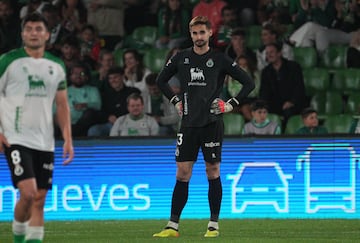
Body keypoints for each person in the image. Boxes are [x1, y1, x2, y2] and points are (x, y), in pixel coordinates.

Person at [153, 16, 254, 238]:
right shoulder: (181, 57)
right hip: (188, 123)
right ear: (191, 35)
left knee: (212, 171)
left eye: (202, 33)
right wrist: (176, 101)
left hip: (212, 123)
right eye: (195, 33)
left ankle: (213, 225)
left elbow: (249, 83)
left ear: (210, 34)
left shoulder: (220, 59)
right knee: (182, 173)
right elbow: (161, 81)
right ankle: (172, 226)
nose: (199, 37)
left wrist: (230, 105)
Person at [0, 12, 74, 243]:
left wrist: (68, 139)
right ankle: (19, 239)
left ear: (48, 34)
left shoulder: (56, 65)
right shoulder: (8, 61)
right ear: (22, 34)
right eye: (29, 29)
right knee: (29, 193)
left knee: (40, 199)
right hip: (15, 137)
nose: (34, 33)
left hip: (45, 140)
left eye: (38, 29)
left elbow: (62, 104)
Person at [259, 42, 306, 124]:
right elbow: (264, 91)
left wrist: (292, 102)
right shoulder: (266, 71)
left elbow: (299, 88)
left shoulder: (293, 67)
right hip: (275, 104)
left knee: (288, 112)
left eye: (272, 52)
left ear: (279, 53)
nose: (269, 55)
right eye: (267, 53)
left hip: (293, 103)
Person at [87, 66, 141, 136]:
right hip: (110, 124)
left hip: (128, 124)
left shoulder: (132, 92)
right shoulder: (105, 94)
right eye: (110, 78)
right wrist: (108, 117)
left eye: (115, 77)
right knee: (93, 131)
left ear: (122, 77)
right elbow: (101, 111)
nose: (113, 80)